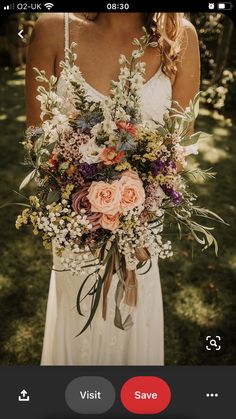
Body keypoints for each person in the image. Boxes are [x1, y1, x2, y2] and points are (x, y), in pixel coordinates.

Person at [26, 12, 200, 365]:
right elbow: (36, 143)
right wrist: (83, 196)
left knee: (132, 330)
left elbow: (180, 147)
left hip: (141, 228)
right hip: (76, 226)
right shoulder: (50, 29)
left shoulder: (180, 35)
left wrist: (135, 201)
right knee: (78, 332)